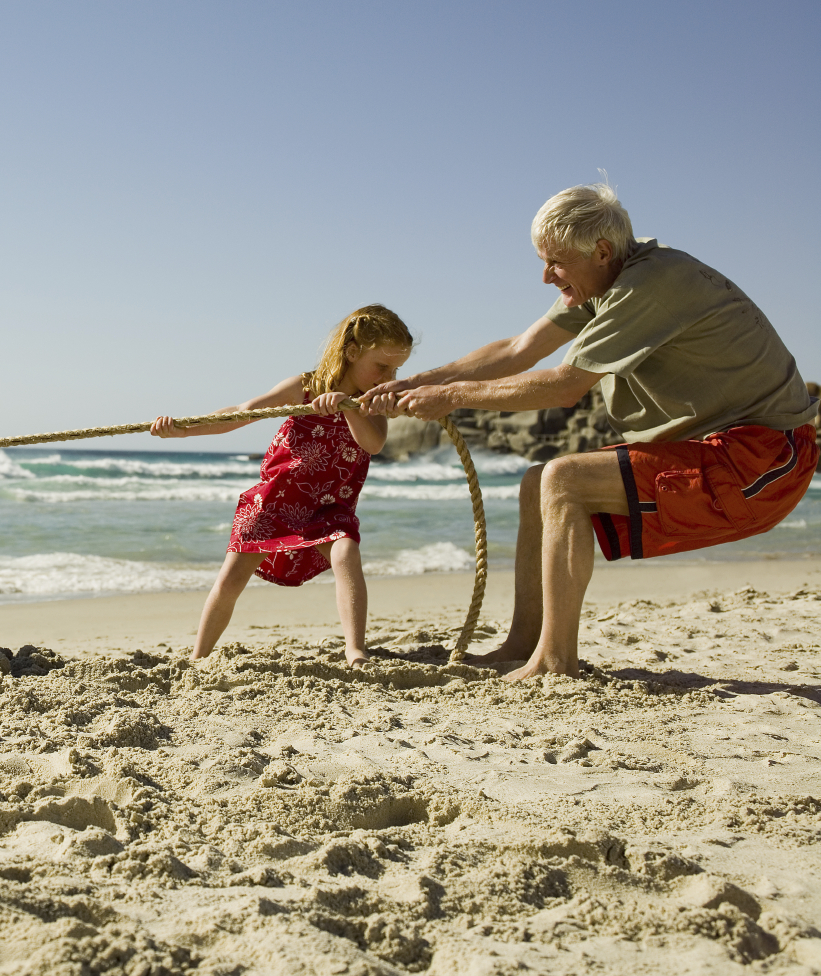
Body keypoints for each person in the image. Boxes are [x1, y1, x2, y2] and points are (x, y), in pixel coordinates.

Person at [362, 185, 817, 681]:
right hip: (729, 452)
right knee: (538, 482)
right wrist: (418, 382)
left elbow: (565, 385)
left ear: (601, 252)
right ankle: (525, 644)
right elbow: (519, 349)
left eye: (554, 263)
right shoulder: (608, 273)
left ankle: (556, 661)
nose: (544, 276)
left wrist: (453, 397)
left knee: (565, 479)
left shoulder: (649, 285)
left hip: (764, 461)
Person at [151, 305, 414, 665]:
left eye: (396, 369)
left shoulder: (373, 403)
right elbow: (242, 412)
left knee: (346, 552)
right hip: (275, 501)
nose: (388, 376)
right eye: (382, 367)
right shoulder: (304, 388)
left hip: (328, 508)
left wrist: (349, 407)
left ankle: (354, 649)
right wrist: (183, 428)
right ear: (352, 353)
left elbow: (374, 444)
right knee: (230, 580)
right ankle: (199, 656)